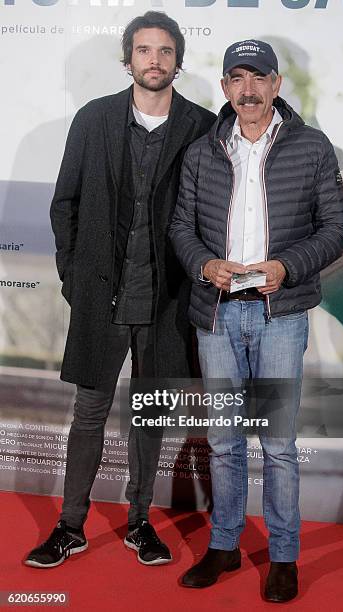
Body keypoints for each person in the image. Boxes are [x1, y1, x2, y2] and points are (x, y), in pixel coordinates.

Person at [24, 11, 215, 569]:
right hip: (101, 296)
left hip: (167, 300)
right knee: (88, 413)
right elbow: (66, 205)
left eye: (164, 51)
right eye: (143, 50)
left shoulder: (201, 126)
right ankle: (70, 526)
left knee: (149, 416)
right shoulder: (94, 119)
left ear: (179, 60)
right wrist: (73, 277)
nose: (154, 60)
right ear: (128, 58)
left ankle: (138, 523)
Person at [169, 39, 343, 601]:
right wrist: (205, 263)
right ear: (225, 87)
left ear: (275, 85)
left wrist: (285, 266)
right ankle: (222, 544)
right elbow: (180, 227)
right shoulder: (202, 153)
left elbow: (336, 229)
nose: (247, 91)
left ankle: (284, 554)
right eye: (236, 79)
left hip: (279, 316)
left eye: (258, 79)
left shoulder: (312, 147)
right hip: (219, 317)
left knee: (276, 442)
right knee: (223, 442)